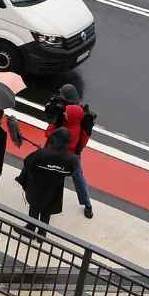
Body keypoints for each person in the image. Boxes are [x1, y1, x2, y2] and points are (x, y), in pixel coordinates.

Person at [47, 84, 98, 219]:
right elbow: (83, 140)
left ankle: (44, 198)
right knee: (79, 179)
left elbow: (49, 132)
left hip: (61, 152)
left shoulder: (68, 114)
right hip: (73, 155)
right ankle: (87, 205)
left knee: (44, 167)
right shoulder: (80, 115)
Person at [17, 128, 79, 235]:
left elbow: (27, 163)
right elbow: (71, 172)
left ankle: (30, 228)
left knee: (34, 208)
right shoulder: (71, 159)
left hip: (37, 186)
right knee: (47, 211)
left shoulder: (41, 154)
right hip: (54, 189)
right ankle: (42, 233)